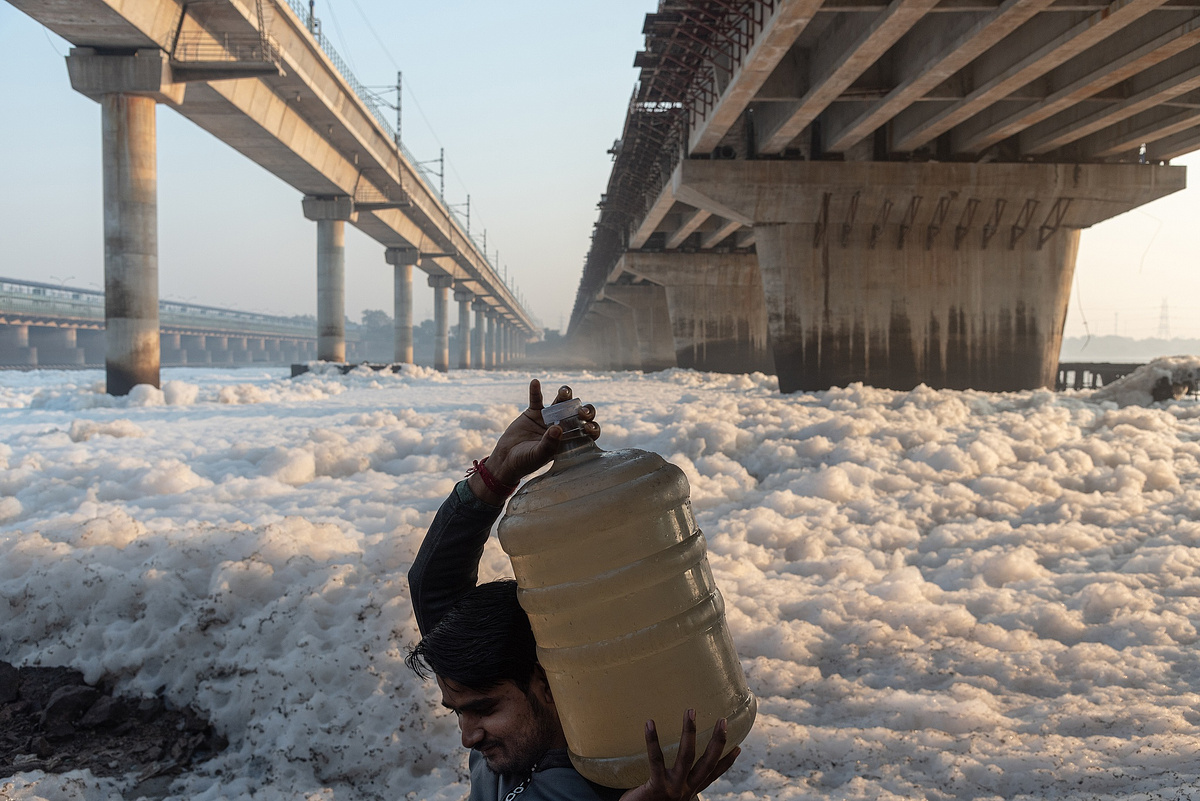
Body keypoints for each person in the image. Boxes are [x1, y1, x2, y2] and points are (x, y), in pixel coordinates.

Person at [406, 379, 740, 801]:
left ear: (548, 683)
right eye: (458, 713)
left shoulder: (620, 778)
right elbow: (432, 585)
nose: (468, 738)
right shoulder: (488, 697)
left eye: (484, 709)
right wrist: (498, 472)